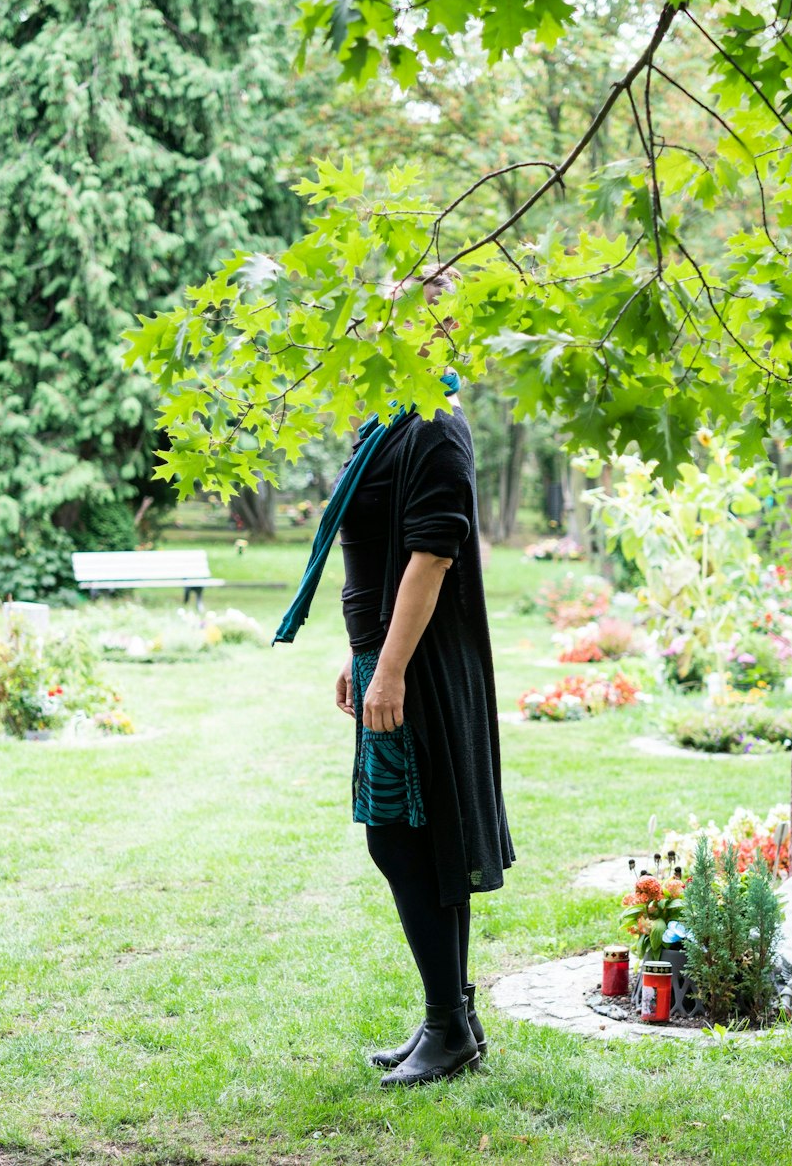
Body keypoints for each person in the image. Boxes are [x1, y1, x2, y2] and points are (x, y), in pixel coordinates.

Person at [275, 273, 512, 1087]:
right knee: (421, 831)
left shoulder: (436, 425)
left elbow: (431, 556)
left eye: (401, 317)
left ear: (440, 329)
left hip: (420, 665)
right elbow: (379, 551)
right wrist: (363, 651)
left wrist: (393, 666)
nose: (380, 329)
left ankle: (448, 1023)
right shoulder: (391, 420)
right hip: (389, 653)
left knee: (401, 834)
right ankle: (454, 1017)